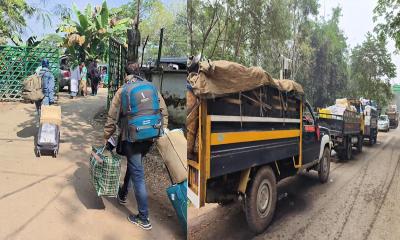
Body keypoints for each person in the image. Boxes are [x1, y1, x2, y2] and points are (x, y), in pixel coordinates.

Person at [104, 62, 168, 230]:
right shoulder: (152, 87)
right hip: (150, 136)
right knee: (135, 165)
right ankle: (123, 193)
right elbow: (164, 111)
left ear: (127, 75)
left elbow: (112, 116)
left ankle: (144, 217)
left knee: (138, 174)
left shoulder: (123, 90)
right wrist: (161, 131)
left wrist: (107, 136)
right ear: (139, 72)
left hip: (132, 137)